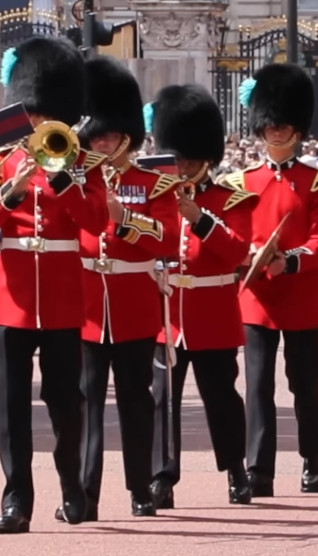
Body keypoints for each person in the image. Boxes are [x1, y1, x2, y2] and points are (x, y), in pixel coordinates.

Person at [0, 37, 110, 534]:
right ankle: (16, 500)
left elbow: (97, 222)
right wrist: (13, 189)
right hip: (12, 297)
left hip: (64, 295)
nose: (37, 121)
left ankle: (72, 487)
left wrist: (64, 178)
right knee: (12, 406)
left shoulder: (83, 164)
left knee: (66, 401)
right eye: (33, 111)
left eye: (46, 113)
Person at [146, 84, 259, 509]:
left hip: (212, 310)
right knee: (164, 400)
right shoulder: (158, 198)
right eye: (177, 159)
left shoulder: (231, 198)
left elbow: (237, 251)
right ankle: (162, 476)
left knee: (222, 399)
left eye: (190, 160)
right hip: (167, 312)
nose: (182, 167)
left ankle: (236, 470)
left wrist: (201, 219)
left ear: (206, 159)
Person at [77, 56, 180, 520]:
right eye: (96, 134)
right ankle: (83, 493)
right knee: (84, 404)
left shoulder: (152, 184)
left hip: (134, 303)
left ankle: (140, 488)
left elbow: (169, 237)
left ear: (127, 137)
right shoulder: (76, 183)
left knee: (136, 403)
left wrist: (125, 219)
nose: (103, 141)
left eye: (112, 134)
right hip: (85, 306)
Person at [229, 63, 318, 497]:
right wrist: (250, 257)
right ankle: (260, 467)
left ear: (296, 128)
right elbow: (234, 238)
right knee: (257, 386)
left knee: (304, 384)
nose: (275, 131)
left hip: (298, 294)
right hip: (257, 297)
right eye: (270, 125)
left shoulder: (316, 181)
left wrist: (288, 262)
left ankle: (311, 458)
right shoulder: (243, 181)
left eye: (283, 124)